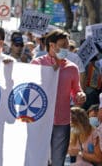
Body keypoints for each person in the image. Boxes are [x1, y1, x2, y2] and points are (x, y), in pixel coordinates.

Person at [32, 28, 86, 166]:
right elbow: (29, 90)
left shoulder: (72, 68)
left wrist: (80, 95)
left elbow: (76, 91)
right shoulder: (37, 64)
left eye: (67, 46)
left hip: (62, 122)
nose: (66, 49)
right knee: (39, 160)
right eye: (63, 46)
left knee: (57, 162)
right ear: (52, 45)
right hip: (40, 120)